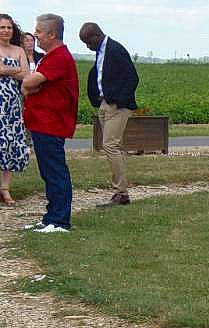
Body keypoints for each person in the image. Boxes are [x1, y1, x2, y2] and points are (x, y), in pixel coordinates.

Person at [21, 13, 78, 232]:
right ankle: (51, 217)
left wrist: (29, 85)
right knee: (49, 171)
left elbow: (30, 81)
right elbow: (32, 85)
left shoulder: (59, 57)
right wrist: (30, 86)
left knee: (55, 171)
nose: (35, 35)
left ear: (52, 34)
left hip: (51, 123)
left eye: (39, 32)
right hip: (42, 122)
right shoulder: (49, 57)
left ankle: (60, 220)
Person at [79, 22, 139, 207]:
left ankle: (121, 193)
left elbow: (132, 78)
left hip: (117, 106)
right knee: (114, 147)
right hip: (106, 103)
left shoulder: (115, 50)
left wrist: (117, 101)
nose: (88, 47)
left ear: (97, 36)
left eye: (88, 42)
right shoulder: (102, 51)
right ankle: (120, 192)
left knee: (109, 146)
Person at [0, 14, 30, 207]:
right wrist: (15, 70)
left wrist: (7, 70)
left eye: (9, 27)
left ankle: (5, 188)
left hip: (12, 103)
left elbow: (26, 74)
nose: (5, 31)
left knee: (10, 144)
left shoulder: (19, 49)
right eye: (2, 27)